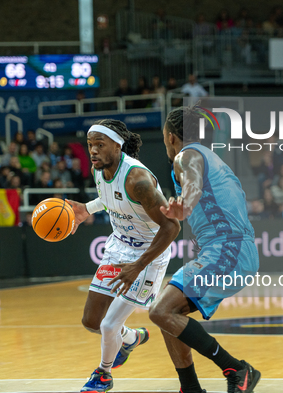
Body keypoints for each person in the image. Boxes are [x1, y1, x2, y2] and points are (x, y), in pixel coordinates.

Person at [148, 106, 261, 393]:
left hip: (227, 249)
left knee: (161, 311)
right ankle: (191, 388)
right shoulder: (212, 157)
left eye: (164, 139)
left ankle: (236, 368)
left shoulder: (187, 156)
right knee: (167, 314)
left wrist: (186, 202)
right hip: (232, 249)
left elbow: (194, 185)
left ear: (171, 137)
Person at [66, 119, 180, 392]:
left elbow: (172, 226)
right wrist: (87, 209)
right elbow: (111, 198)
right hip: (119, 246)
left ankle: (103, 375)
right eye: (90, 144)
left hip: (149, 253)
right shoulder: (100, 169)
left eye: (99, 144)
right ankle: (130, 339)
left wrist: (137, 266)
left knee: (108, 326)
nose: (92, 150)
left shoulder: (137, 179)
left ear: (117, 146)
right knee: (91, 321)